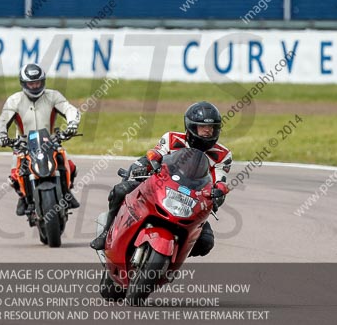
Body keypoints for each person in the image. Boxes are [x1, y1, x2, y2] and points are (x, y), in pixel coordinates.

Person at [90, 101, 232, 253]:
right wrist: (143, 165)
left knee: (206, 242)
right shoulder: (172, 139)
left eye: (211, 128)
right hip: (160, 188)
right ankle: (106, 233)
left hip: (192, 200)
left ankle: (172, 257)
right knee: (120, 190)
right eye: (202, 127)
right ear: (191, 127)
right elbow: (155, 154)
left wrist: (218, 194)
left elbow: (220, 180)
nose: (207, 131)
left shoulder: (223, 155)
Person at [0, 63, 81, 216]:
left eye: (38, 82)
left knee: (70, 166)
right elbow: (2, 121)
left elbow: (69, 109)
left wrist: (72, 124)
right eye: (31, 83)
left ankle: (67, 192)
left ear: (43, 81)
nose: (35, 86)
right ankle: (23, 197)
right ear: (23, 83)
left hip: (51, 141)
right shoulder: (14, 100)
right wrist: (2, 136)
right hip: (23, 145)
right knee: (15, 174)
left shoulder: (53, 96)